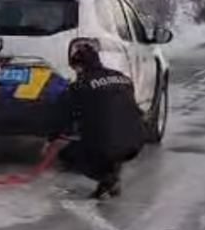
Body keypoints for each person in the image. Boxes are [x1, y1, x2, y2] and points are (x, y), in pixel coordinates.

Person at [46, 42, 146, 200]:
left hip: (108, 144)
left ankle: (107, 179)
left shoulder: (80, 85)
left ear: (78, 66)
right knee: (113, 134)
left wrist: (51, 138)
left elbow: (61, 117)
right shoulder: (123, 77)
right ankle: (111, 176)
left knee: (67, 154)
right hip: (137, 141)